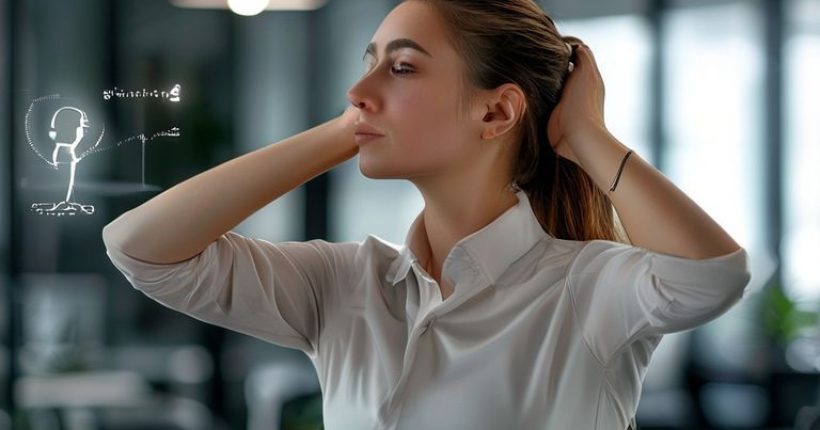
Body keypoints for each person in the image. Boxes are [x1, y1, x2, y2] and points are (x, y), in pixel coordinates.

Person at [102, 1, 752, 429]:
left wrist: (584, 135)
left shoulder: (586, 289)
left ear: (496, 112)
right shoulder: (346, 283)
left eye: (403, 67)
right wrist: (343, 130)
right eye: (368, 67)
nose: (359, 93)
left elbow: (712, 274)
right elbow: (140, 247)